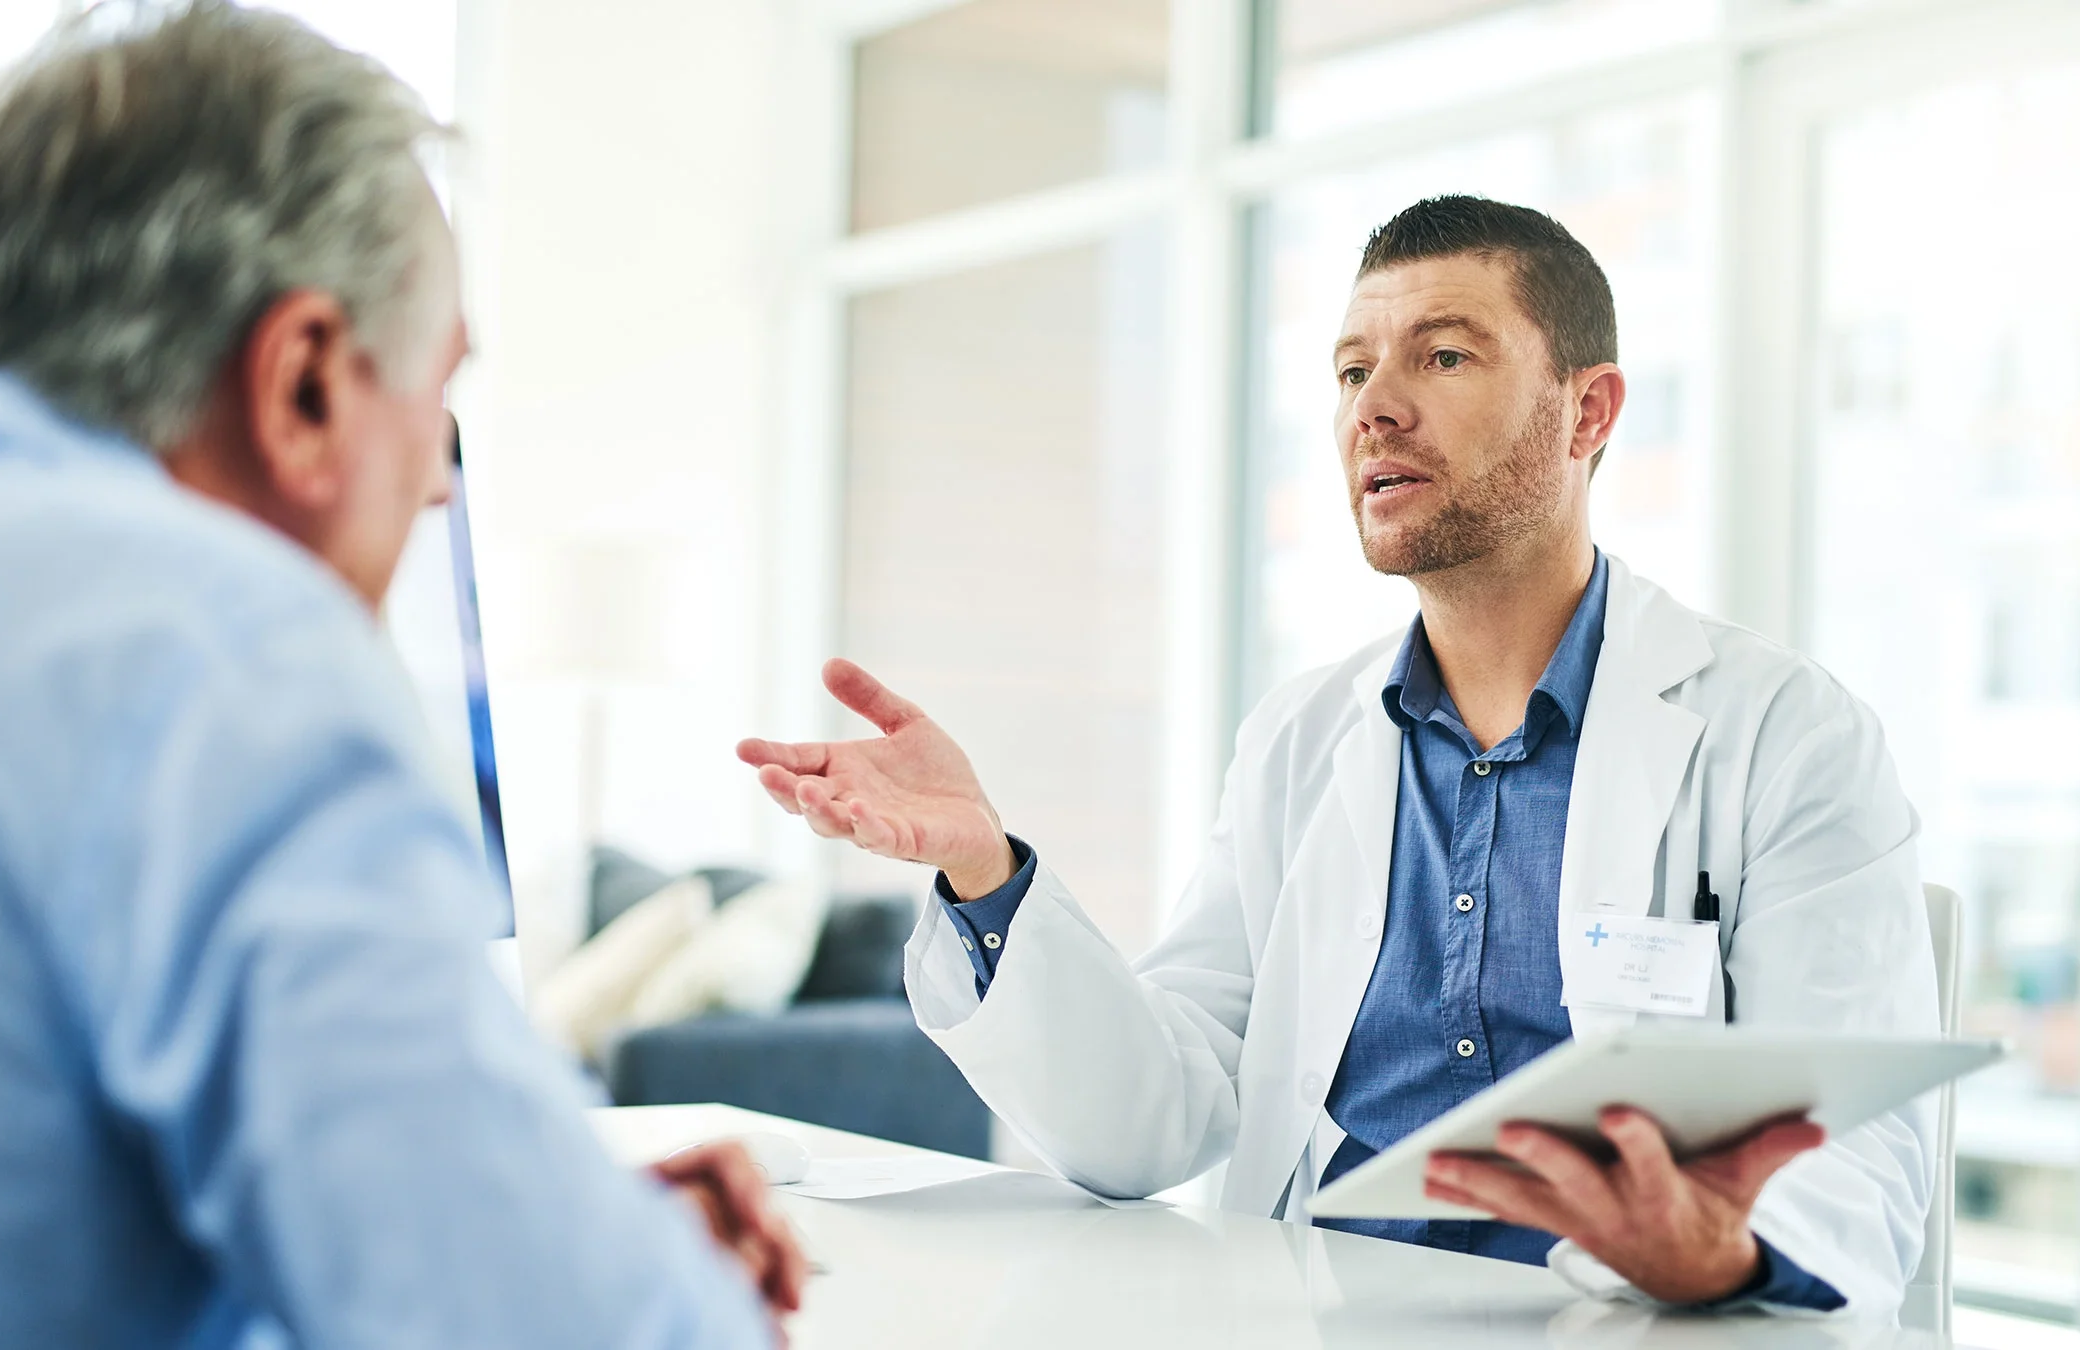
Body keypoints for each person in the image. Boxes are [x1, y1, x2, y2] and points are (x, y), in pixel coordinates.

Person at [739, 195, 1940, 1318]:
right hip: (1309, 1320)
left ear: (1589, 412)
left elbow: (1860, 1164)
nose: (1375, 407)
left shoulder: (1785, 737)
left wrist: (1719, 1249)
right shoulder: (1302, 741)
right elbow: (1155, 1119)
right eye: (1353, 370)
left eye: (1443, 356)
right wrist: (985, 870)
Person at [0, 4, 799, 1347]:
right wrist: (633, 1273)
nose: (436, 483)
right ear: (301, 385)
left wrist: (529, 1198)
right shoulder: (230, 657)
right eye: (435, 396)